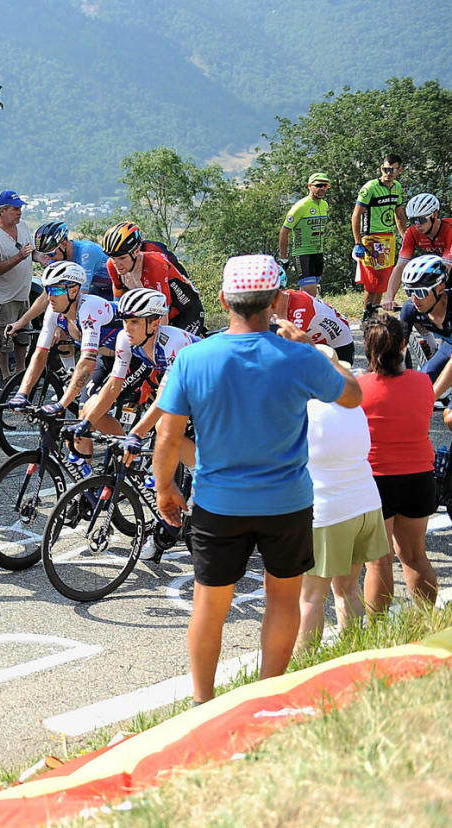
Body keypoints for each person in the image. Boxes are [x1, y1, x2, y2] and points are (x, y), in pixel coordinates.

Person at [152, 254, 360, 705]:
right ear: (276, 301)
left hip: (217, 503)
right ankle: (268, 698)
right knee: (283, 601)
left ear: (225, 299)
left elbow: (167, 435)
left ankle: (203, 704)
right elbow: (352, 396)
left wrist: (165, 487)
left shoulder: (192, 358)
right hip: (286, 502)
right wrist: (308, 345)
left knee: (210, 605)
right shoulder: (298, 357)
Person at [74, 287, 200, 561]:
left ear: (154, 323)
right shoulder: (124, 339)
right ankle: (165, 529)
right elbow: (113, 387)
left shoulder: (172, 343)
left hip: (215, 389)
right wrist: (87, 421)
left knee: (164, 429)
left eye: (134, 322)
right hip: (188, 390)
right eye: (124, 321)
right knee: (162, 433)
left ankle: (201, 476)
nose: (127, 328)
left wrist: (134, 434)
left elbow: (166, 400)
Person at [297, 354, 389, 651]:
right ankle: (355, 656)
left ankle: (303, 666)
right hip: (364, 502)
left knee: (312, 596)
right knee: (348, 588)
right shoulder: (352, 405)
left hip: (328, 511)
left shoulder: (305, 412)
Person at [358, 314, 440, 612]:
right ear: (403, 346)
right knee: (415, 556)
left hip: (376, 480)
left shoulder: (360, 388)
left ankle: (378, 634)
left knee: (379, 562)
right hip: (419, 476)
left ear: (367, 349)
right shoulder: (422, 383)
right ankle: (428, 624)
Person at [4, 261, 119, 416]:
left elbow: (86, 362)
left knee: (93, 411)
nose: (50, 297)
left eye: (56, 291)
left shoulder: (89, 308)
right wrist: (22, 394)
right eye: (47, 290)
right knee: (85, 413)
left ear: (73, 291)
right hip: (106, 358)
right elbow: (40, 354)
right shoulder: (54, 311)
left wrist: (60, 404)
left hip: (134, 356)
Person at [0, 190, 39, 380]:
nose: (19, 212)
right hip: (3, 297)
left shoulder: (23, 227)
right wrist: (19, 257)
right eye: (15, 209)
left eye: (20, 208)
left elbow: (31, 252)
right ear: (2, 211)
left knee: (23, 337)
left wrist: (43, 258)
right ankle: (5, 376)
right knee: (4, 339)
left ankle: (20, 373)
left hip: (23, 293)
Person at [102, 221, 204, 335]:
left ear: (136, 251)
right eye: (113, 257)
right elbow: (118, 303)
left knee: (173, 348)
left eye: (122, 258)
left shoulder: (155, 265)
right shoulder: (111, 264)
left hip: (187, 311)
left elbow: (163, 314)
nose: (117, 264)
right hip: (152, 313)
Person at [352, 154, 406, 323]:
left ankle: (374, 316)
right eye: (385, 169)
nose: (388, 173)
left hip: (388, 239)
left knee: (383, 282)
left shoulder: (397, 187)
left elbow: (399, 215)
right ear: (381, 168)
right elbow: (356, 216)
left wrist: (406, 238)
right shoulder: (370, 188)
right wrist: (358, 242)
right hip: (371, 239)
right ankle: (366, 315)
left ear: (399, 170)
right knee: (372, 282)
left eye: (392, 170)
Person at [382, 193, 452, 312]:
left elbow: (447, 266)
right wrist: (389, 298)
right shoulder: (412, 232)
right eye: (413, 220)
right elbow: (400, 266)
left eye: (421, 219)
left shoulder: (449, 228)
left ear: (434, 215)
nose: (417, 224)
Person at [396, 256, 452, 385]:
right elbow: (398, 349)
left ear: (441, 288)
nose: (414, 299)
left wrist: (430, 398)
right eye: (409, 292)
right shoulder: (410, 309)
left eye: (421, 292)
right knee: (422, 382)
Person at [272, 284, 355, 364]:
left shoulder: (300, 308)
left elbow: (290, 347)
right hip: (319, 341)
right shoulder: (285, 296)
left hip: (340, 345)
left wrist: (281, 318)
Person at [278, 172, 331, 296]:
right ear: (309, 186)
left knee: (311, 294)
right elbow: (284, 232)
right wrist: (284, 258)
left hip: (318, 252)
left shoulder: (324, 205)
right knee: (310, 292)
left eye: (325, 186)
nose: (322, 188)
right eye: (318, 185)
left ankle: (299, 313)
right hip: (302, 253)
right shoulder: (300, 206)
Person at [34, 220, 113, 299]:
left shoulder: (87, 252)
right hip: (100, 289)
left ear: (64, 244)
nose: (50, 258)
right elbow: (46, 296)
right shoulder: (56, 258)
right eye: (46, 255)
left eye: (51, 254)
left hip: (119, 286)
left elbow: (81, 293)